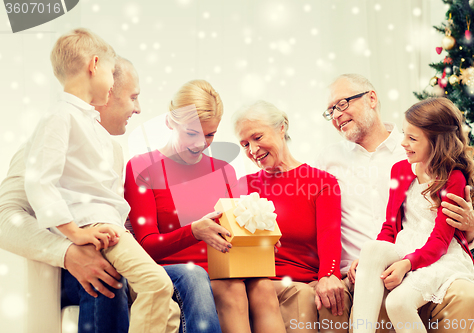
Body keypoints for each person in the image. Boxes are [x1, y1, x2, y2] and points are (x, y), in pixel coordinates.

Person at [23, 28, 179, 333]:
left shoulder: (90, 124)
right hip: (93, 226)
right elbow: (40, 181)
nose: (113, 80)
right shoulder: (60, 116)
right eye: (110, 71)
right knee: (155, 283)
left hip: (112, 227)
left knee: (169, 309)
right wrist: (74, 232)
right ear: (94, 65)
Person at [316, 74, 474, 333]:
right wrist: (335, 269)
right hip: (376, 262)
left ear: (371, 98)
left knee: (412, 300)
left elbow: (447, 233)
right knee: (372, 250)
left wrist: (473, 226)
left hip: (428, 256)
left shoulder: (417, 153)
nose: (336, 114)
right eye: (330, 110)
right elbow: (388, 223)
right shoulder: (329, 159)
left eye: (342, 104)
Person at [125, 79, 285, 333]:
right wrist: (194, 232)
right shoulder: (141, 167)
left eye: (210, 135)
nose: (201, 143)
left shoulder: (224, 171)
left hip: (223, 270)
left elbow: (234, 234)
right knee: (227, 289)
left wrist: (258, 242)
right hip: (177, 272)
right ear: (170, 122)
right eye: (191, 133)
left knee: (262, 286)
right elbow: (145, 247)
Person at [0, 55, 139, 333]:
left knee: (187, 278)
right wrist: (67, 252)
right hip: (66, 271)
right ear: (107, 94)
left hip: (108, 257)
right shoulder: (50, 135)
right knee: (108, 275)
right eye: (133, 97)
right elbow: (5, 218)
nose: (138, 109)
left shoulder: (114, 152)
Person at [232, 100, 345, 333]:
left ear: (281, 128)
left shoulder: (321, 182)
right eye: (244, 144)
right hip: (263, 284)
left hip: (307, 279)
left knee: (328, 299)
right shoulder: (244, 186)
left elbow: (329, 236)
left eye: (257, 137)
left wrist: (329, 275)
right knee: (301, 295)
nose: (252, 150)